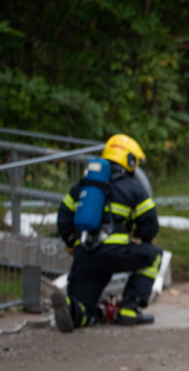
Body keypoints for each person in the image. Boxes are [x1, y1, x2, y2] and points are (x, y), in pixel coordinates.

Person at [51, 134, 162, 332]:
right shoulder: (134, 189)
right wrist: (142, 240)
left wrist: (70, 242)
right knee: (153, 256)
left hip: (85, 255)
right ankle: (129, 308)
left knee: (85, 305)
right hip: (117, 254)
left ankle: (73, 310)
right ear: (129, 160)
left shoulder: (83, 186)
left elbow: (64, 215)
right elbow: (150, 224)